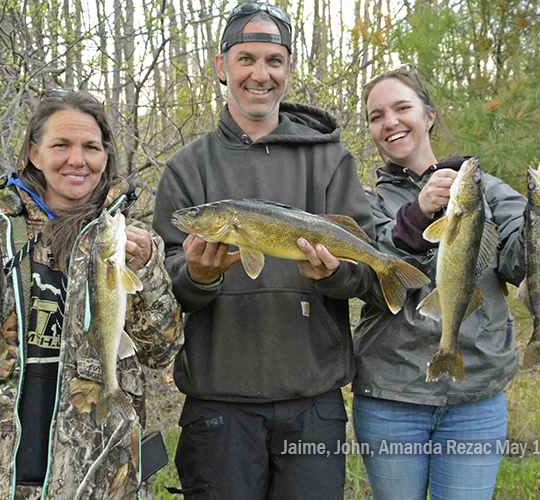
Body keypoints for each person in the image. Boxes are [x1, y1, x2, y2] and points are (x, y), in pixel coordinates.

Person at [151, 3, 377, 498]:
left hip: (313, 405)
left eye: (274, 60)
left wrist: (335, 275)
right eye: (246, 58)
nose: (260, 73)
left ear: (288, 69)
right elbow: (163, 289)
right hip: (218, 411)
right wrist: (198, 276)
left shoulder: (331, 160)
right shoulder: (187, 170)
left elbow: (366, 272)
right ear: (221, 66)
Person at [0, 90, 184, 500]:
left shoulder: (130, 244)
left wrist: (148, 272)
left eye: (91, 148)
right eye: (61, 145)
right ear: (34, 154)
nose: (77, 160)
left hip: (96, 479)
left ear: (105, 157)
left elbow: (161, 353)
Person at [351, 64, 540, 499]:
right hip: (390, 397)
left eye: (402, 108)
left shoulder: (486, 190)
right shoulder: (367, 201)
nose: (390, 122)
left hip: (475, 397)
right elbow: (366, 277)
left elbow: (523, 264)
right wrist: (416, 215)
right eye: (376, 116)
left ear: (429, 116)